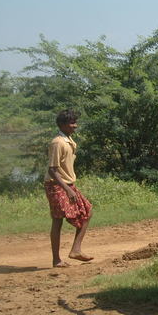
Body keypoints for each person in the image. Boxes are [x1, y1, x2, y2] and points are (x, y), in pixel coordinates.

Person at [44, 110, 94, 268]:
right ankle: (56, 259)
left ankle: (76, 249)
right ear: (62, 125)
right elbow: (52, 170)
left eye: (75, 122)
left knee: (87, 210)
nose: (75, 125)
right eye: (71, 123)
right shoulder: (57, 143)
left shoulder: (68, 141)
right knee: (57, 220)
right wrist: (67, 189)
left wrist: (69, 187)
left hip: (67, 184)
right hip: (56, 185)